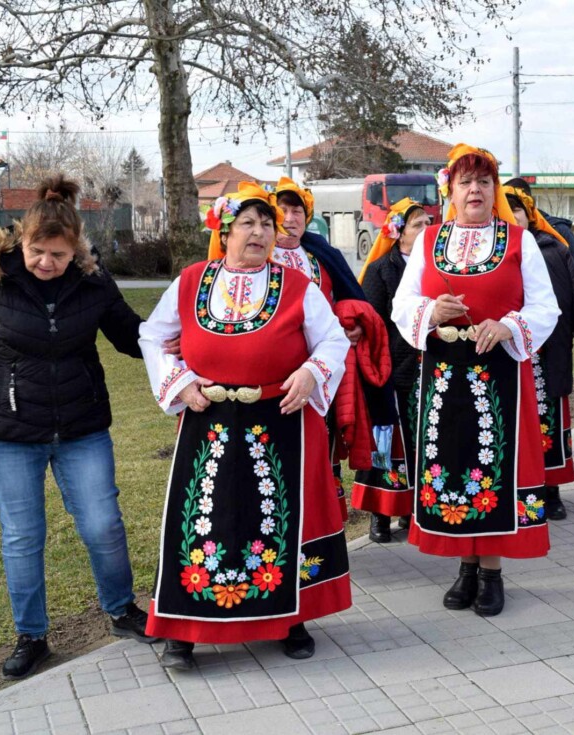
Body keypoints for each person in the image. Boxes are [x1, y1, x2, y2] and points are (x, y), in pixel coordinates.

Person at [0, 176, 154, 680]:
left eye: (57, 255)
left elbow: (130, 335)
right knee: (22, 536)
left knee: (103, 525)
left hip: (82, 428)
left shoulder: (93, 278)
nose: (46, 263)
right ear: (23, 241)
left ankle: (122, 610)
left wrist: (189, 343)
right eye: (38, 251)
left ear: (75, 249)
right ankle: (31, 636)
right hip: (12, 434)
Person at [139, 182, 351, 669]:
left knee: (279, 521)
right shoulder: (193, 281)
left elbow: (334, 342)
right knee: (201, 521)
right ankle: (182, 629)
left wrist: (310, 372)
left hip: (278, 421)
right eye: (248, 224)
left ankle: (290, 619)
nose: (259, 233)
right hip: (206, 418)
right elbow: (152, 334)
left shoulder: (298, 287)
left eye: (267, 225)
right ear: (225, 231)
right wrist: (179, 382)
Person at [391, 144, 559, 617]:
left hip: (499, 374)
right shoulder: (428, 241)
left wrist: (508, 325)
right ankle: (464, 567)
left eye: (484, 182)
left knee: (494, 470)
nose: (475, 190)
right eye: (465, 182)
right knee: (456, 464)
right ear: (450, 191)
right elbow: (402, 306)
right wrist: (430, 311)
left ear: (494, 190)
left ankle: (491, 573)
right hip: (445, 375)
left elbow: (545, 307)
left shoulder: (518, 240)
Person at [273, 177, 373, 520]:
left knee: (321, 440)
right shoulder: (261, 255)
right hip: (274, 370)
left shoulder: (320, 254)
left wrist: (357, 324)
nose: (290, 217)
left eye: (297, 210)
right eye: (282, 209)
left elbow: (347, 296)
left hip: (321, 371)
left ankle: (322, 523)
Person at [504, 183, 574, 520]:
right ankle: (515, 490)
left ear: (529, 215)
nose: (511, 215)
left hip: (549, 351)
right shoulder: (494, 255)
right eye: (504, 209)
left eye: (516, 209)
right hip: (508, 356)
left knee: (548, 420)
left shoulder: (553, 250)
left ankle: (552, 489)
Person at [352, 198, 432, 542]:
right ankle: (379, 515)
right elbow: (371, 324)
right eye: (418, 225)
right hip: (390, 371)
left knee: (421, 445)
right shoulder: (381, 270)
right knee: (385, 444)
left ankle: (412, 510)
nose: (426, 229)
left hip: (425, 371)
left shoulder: (435, 269)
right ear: (398, 233)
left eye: (429, 222)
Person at [503, 176, 574, 330]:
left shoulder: (557, 231)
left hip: (556, 315)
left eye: (517, 208)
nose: (512, 216)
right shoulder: (501, 235)